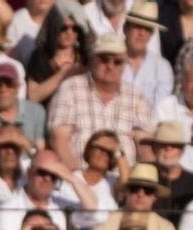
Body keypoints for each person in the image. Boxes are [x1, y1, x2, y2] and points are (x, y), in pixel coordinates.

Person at [50, 33, 155, 168]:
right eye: (104, 59)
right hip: (80, 173)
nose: (110, 66)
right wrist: (76, 178)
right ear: (92, 60)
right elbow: (59, 140)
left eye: (117, 62)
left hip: (123, 179)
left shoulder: (137, 97)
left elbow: (144, 147)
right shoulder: (70, 88)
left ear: (125, 65)